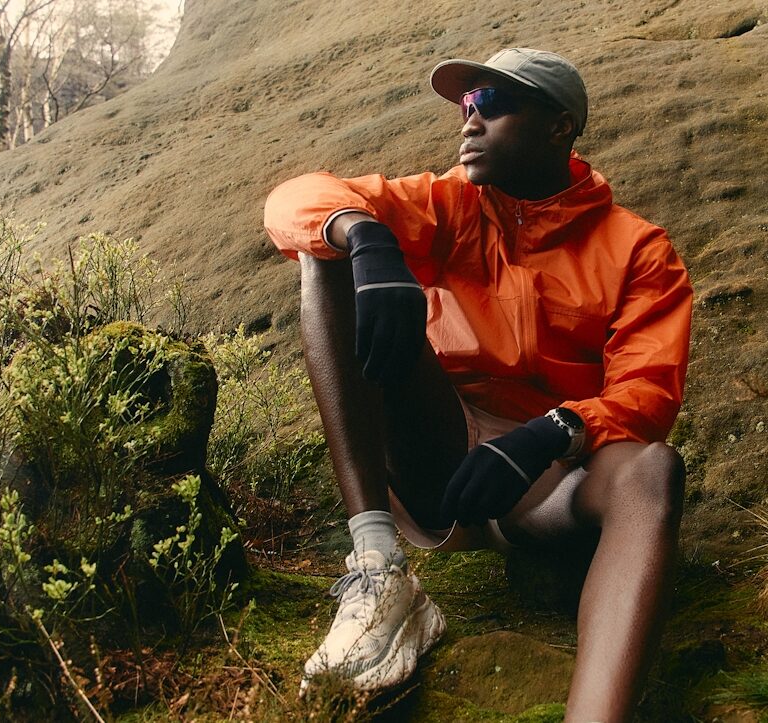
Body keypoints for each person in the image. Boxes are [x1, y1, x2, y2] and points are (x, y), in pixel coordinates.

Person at [263, 47, 693, 721]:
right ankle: (378, 568)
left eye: (490, 104)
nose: (469, 122)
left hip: (546, 479)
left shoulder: (638, 249)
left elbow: (651, 390)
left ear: (559, 127)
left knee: (656, 470)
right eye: (465, 107)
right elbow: (292, 199)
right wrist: (366, 235)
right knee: (327, 250)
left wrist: (554, 430)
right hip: (437, 453)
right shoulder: (448, 205)